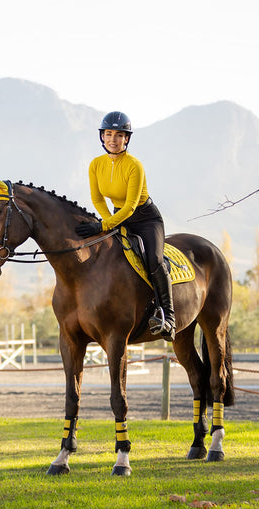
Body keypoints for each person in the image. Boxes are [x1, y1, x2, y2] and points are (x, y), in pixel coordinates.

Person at [75, 111, 175, 341]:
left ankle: (168, 317)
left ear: (126, 139)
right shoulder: (95, 165)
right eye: (108, 134)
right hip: (117, 217)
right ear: (102, 137)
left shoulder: (135, 166)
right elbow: (97, 198)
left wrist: (103, 225)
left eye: (119, 135)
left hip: (145, 218)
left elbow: (130, 206)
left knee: (154, 261)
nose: (113, 139)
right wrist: (105, 222)